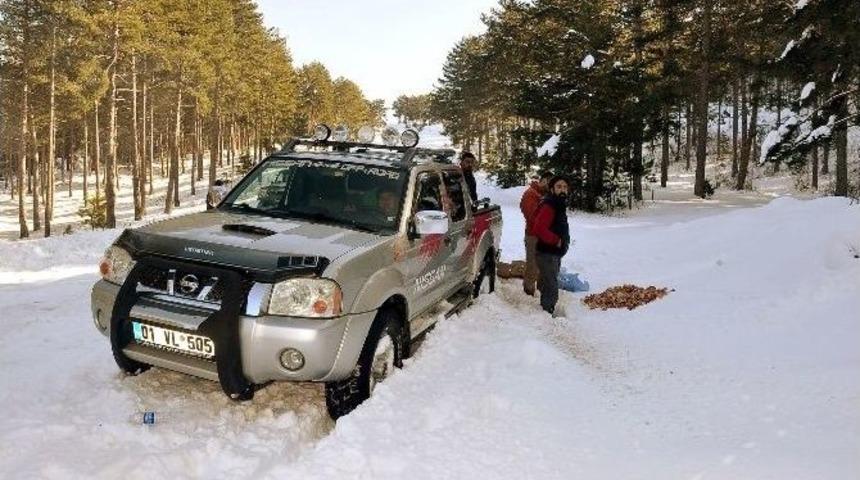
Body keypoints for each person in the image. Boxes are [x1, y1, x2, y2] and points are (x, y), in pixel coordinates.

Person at [530, 176, 571, 315]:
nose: (563, 190)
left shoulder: (558, 204)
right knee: (551, 286)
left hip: (554, 252)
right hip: (547, 252)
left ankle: (544, 304)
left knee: (547, 280)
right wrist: (555, 240)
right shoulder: (550, 205)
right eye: (559, 187)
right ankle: (547, 312)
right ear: (552, 189)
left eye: (565, 187)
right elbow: (538, 228)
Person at [520, 171, 552, 296]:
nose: (550, 186)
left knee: (541, 265)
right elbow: (532, 217)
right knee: (532, 265)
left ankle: (539, 290)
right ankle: (528, 291)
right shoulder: (530, 194)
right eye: (548, 182)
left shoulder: (543, 195)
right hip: (533, 235)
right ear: (542, 181)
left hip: (543, 235)